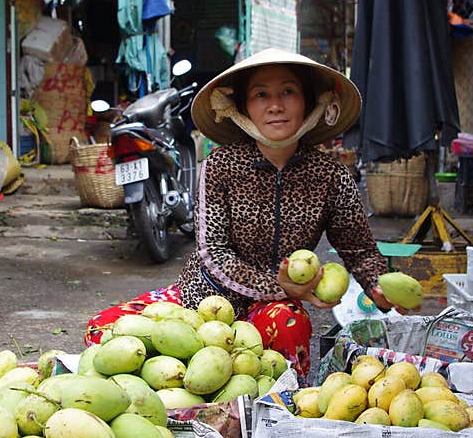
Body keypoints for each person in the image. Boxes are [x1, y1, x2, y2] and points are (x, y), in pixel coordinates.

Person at [84, 48, 405, 384]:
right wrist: (277, 286)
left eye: (288, 92)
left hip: (272, 311)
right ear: (243, 107)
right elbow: (214, 253)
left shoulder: (331, 176)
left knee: (289, 325)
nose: (275, 105)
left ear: (309, 103)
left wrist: (380, 287)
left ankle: (279, 410)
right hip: (203, 299)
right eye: (261, 94)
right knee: (103, 328)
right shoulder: (220, 166)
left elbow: (359, 249)